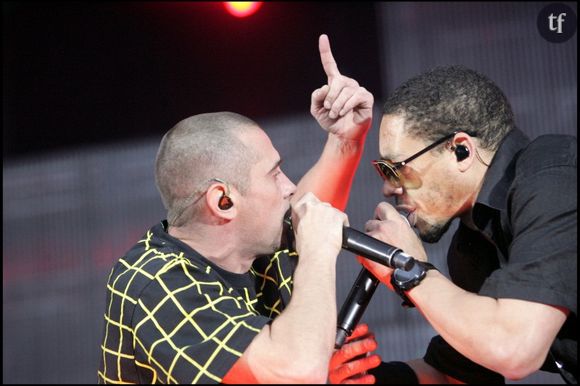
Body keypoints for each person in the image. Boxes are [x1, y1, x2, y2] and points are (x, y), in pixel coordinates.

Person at [97, 34, 380, 384]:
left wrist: (345, 137)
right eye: (274, 174)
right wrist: (319, 254)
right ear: (224, 202)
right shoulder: (153, 282)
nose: (289, 186)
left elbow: (310, 207)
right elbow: (299, 371)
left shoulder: (255, 244)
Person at [350, 65, 576, 384]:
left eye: (396, 168)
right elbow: (452, 375)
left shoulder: (553, 178)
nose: (389, 187)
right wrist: (359, 376)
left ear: (461, 151)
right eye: (383, 170)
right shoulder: (471, 247)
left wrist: (410, 270)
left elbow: (515, 348)